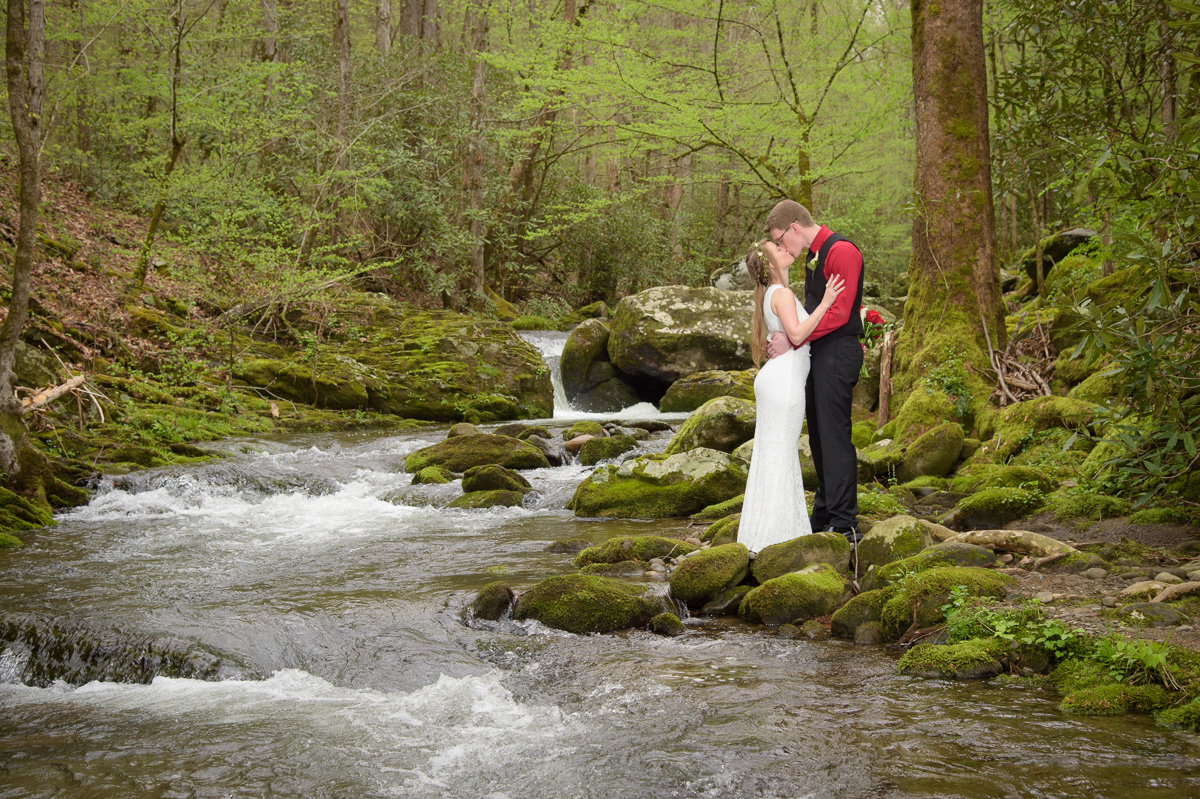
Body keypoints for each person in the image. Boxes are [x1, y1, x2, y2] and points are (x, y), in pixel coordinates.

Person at [765, 200, 865, 545]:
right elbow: (813, 310)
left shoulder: (842, 251)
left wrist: (793, 340)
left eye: (780, 240)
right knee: (820, 436)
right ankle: (824, 513)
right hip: (818, 353)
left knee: (835, 435)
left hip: (839, 352)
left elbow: (838, 313)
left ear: (794, 227)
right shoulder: (815, 256)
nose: (782, 248)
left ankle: (845, 521)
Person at [739, 239, 844, 554]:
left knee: (772, 454)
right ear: (771, 264)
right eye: (778, 249)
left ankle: (765, 534)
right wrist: (825, 302)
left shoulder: (773, 293)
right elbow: (798, 335)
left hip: (778, 379)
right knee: (781, 455)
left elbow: (791, 334)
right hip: (783, 383)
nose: (786, 249)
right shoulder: (781, 293)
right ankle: (778, 539)